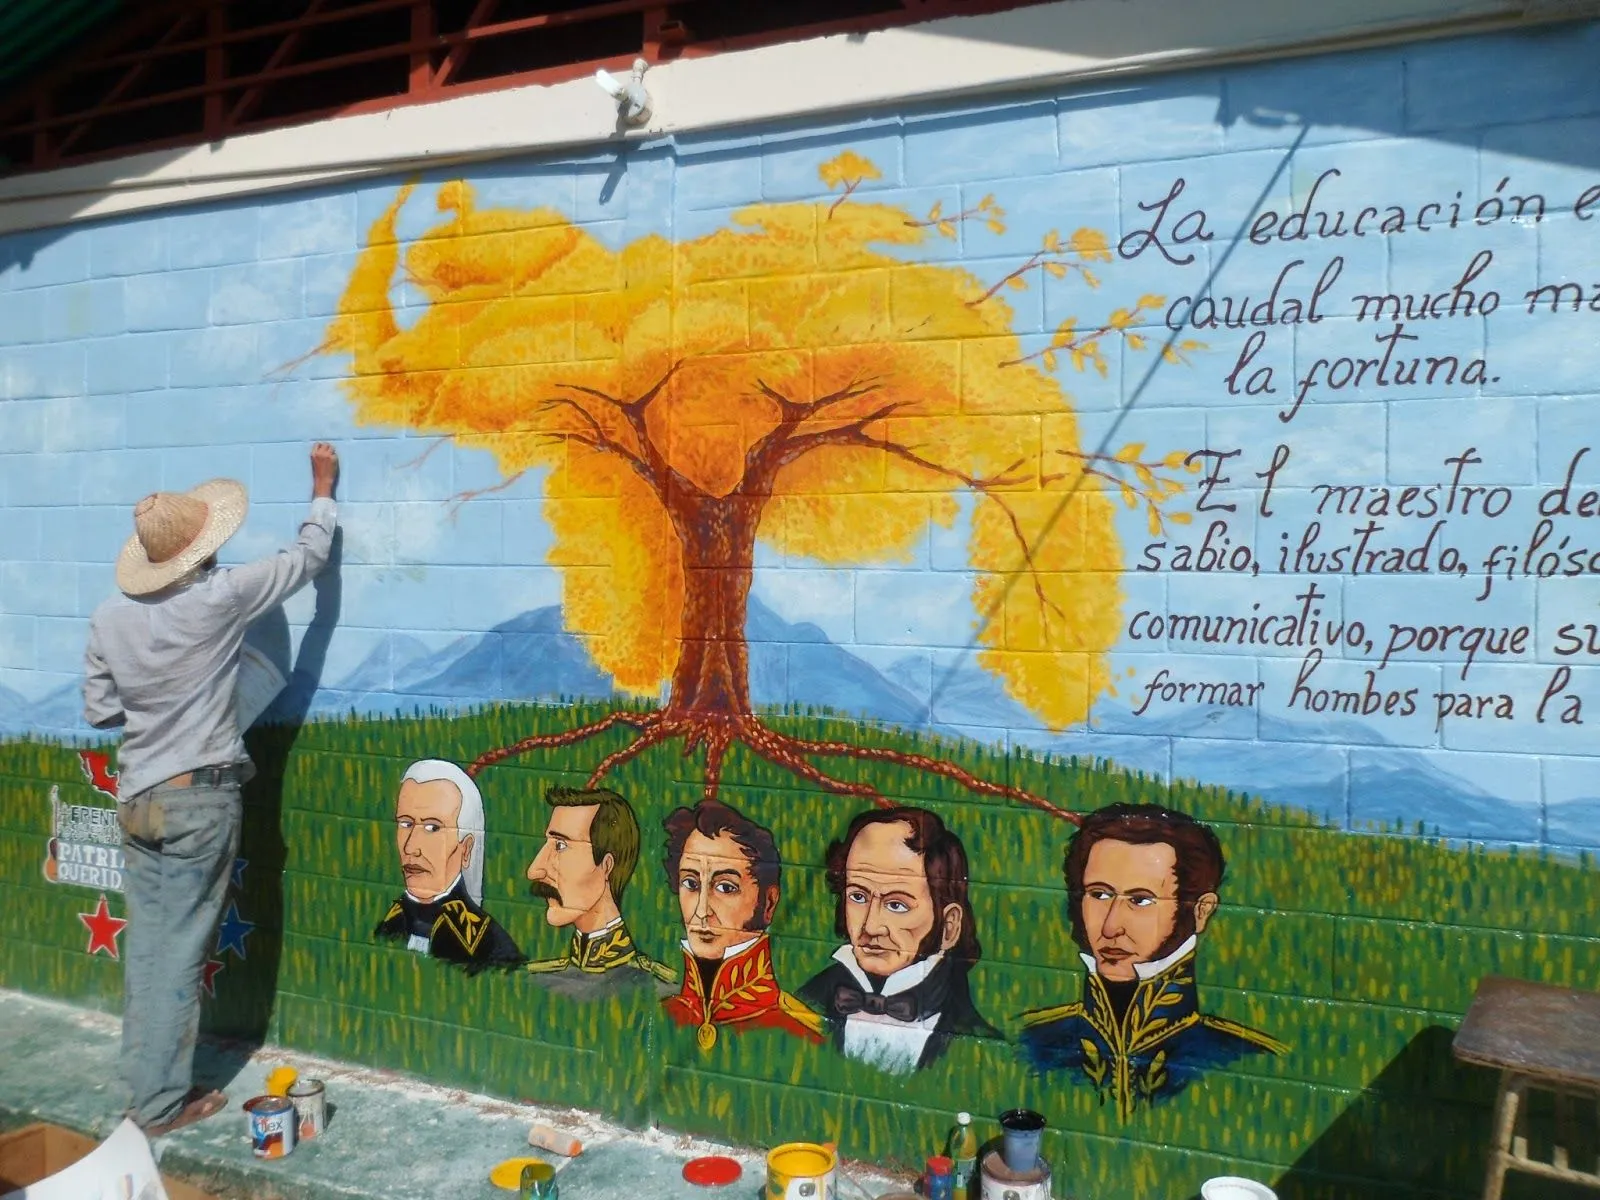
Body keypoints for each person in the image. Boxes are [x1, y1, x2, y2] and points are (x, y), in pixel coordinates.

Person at [83, 444, 340, 1135]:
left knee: (150, 951)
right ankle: (164, 1108)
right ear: (200, 549)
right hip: (199, 799)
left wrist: (155, 694)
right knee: (180, 955)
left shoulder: (110, 617)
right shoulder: (219, 599)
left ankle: (145, 1091)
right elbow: (307, 561)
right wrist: (322, 489)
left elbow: (99, 709)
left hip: (138, 799)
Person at [1018, 803, 1286, 1119]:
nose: (1111, 926)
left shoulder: (1241, 1059)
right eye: (1100, 895)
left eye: (1140, 900)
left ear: (1201, 911)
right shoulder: (1034, 1044)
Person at [798, 807, 998, 1074]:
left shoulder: (980, 1049)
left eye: (897, 905)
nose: (871, 926)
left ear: (949, 927)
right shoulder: (802, 1008)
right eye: (858, 897)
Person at [660, 800, 822, 1050]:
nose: (702, 911)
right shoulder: (661, 1017)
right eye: (691, 884)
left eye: (726, 887)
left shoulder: (801, 1037)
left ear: (768, 903)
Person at [374, 759, 523, 968]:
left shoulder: (489, 947)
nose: (411, 847)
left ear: (466, 848)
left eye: (433, 828)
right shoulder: (389, 925)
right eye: (406, 824)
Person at [523, 786, 672, 994]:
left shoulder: (655, 989)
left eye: (560, 846)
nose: (535, 870)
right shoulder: (538, 983)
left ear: (607, 866)